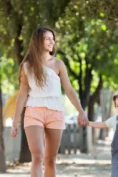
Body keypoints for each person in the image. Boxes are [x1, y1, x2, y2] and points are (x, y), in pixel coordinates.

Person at [11, 27, 88, 177]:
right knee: (38, 157)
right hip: (34, 112)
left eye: (52, 38)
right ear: (38, 41)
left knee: (50, 159)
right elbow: (22, 94)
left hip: (55, 113)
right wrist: (15, 120)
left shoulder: (58, 64)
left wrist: (81, 111)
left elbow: (70, 90)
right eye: (48, 38)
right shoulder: (27, 66)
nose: (52, 41)